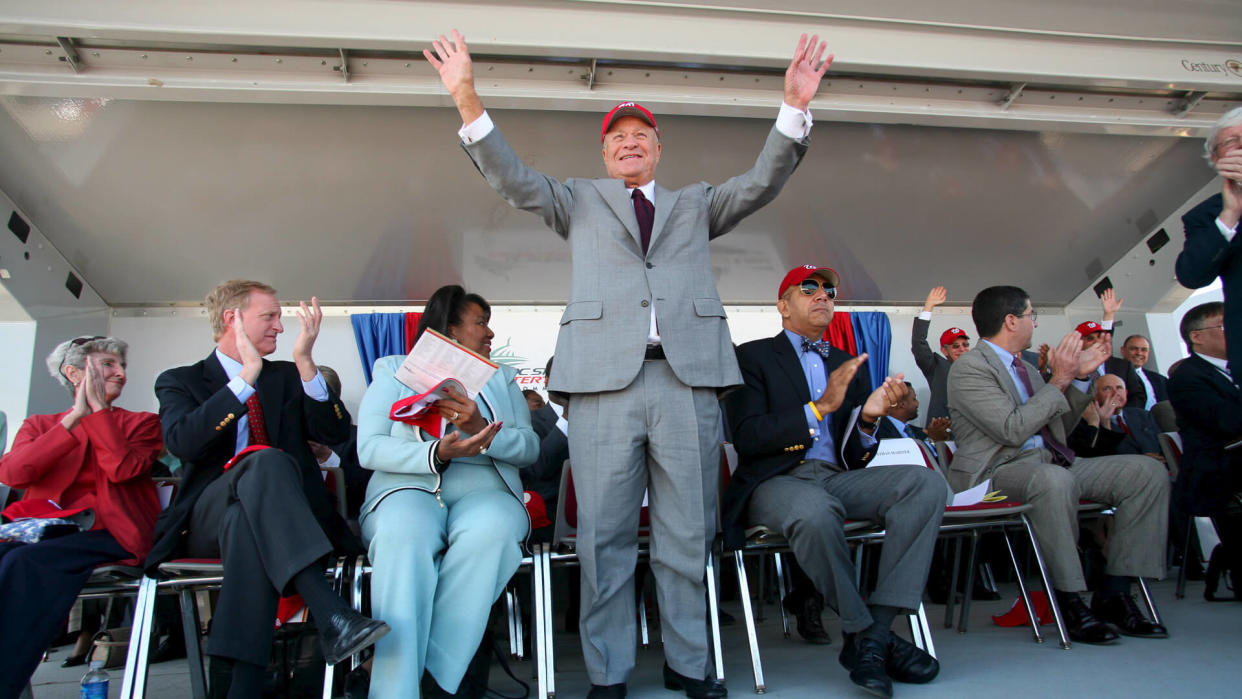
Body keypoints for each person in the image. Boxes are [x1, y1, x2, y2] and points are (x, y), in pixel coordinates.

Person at [425, 29, 833, 698]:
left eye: (642, 133)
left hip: (687, 381)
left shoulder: (696, 204)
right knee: (604, 536)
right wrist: (466, 95)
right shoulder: (578, 201)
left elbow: (761, 183)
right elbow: (512, 177)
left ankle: (689, 663)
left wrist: (792, 107)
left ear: (659, 147)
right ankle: (609, 673)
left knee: (687, 533)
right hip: (599, 388)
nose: (630, 141)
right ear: (605, 152)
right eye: (618, 136)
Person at [146, 280, 387, 697]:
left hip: (267, 524)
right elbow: (182, 442)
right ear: (232, 319)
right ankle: (330, 611)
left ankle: (237, 685)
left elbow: (334, 433)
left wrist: (306, 362)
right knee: (263, 460)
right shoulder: (180, 380)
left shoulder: (290, 376)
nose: (280, 325)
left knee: (248, 523)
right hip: (207, 520)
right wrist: (244, 380)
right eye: (270, 316)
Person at [722, 265, 944, 698]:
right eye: (809, 288)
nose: (822, 295)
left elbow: (854, 455)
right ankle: (865, 631)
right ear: (783, 306)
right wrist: (818, 408)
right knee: (814, 511)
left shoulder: (848, 363)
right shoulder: (751, 357)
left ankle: (874, 635)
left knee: (927, 485)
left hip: (836, 477)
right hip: (775, 481)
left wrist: (868, 418)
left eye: (829, 290)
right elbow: (747, 436)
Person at [947, 286, 1170, 644]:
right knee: (1052, 480)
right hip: (995, 473)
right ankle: (1068, 599)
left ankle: (1115, 592)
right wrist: (1062, 378)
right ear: (1010, 320)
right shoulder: (969, 368)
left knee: (1147, 472)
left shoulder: (1029, 368)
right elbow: (1012, 428)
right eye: (1031, 315)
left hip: (1051, 463)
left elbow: (1059, 432)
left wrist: (1079, 377)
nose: (1034, 322)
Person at [357, 284, 537, 698]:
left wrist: (482, 433)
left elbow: (530, 447)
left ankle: (430, 676)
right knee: (405, 534)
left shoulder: (503, 377)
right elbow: (368, 447)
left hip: (485, 489)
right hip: (408, 487)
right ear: (451, 328)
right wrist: (436, 451)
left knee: (492, 531)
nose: (490, 333)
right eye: (481, 323)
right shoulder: (393, 368)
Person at [0, 336, 162, 699]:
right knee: (12, 557)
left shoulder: (142, 423)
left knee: (26, 563)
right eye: (108, 365)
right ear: (74, 373)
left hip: (110, 531)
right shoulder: (40, 425)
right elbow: (14, 474)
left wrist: (99, 415)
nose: (120, 373)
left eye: (121, 365)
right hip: (45, 530)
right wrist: (74, 419)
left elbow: (122, 468)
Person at [1167, 301, 1242, 598]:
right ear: (1196, 336)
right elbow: (1228, 421)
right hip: (1219, 468)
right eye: (1225, 326)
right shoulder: (1186, 378)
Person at [1177, 105, 1242, 389]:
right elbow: (1191, 275)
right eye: (1232, 141)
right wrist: (1229, 217)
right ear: (1216, 159)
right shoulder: (1206, 216)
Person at [309, 365, 370, 521]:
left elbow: (364, 491)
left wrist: (328, 457)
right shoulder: (292, 439)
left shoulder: (359, 438)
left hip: (349, 523)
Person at [1068, 374, 1163, 460]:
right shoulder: (1087, 422)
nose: (1115, 393)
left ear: (1126, 393)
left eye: (1119, 388)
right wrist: (1104, 423)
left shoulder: (1143, 415)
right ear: (1096, 395)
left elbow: (1163, 444)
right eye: (1107, 389)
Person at [911, 286, 970, 422]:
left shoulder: (980, 366)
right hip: (944, 434)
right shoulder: (937, 367)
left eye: (965, 345)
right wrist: (929, 306)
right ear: (944, 351)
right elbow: (918, 342)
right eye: (955, 346)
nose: (962, 349)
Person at [1120, 335, 1168, 409]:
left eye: (1144, 350)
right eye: (1134, 349)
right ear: (1123, 351)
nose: (1139, 353)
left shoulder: (1160, 380)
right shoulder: (1115, 377)